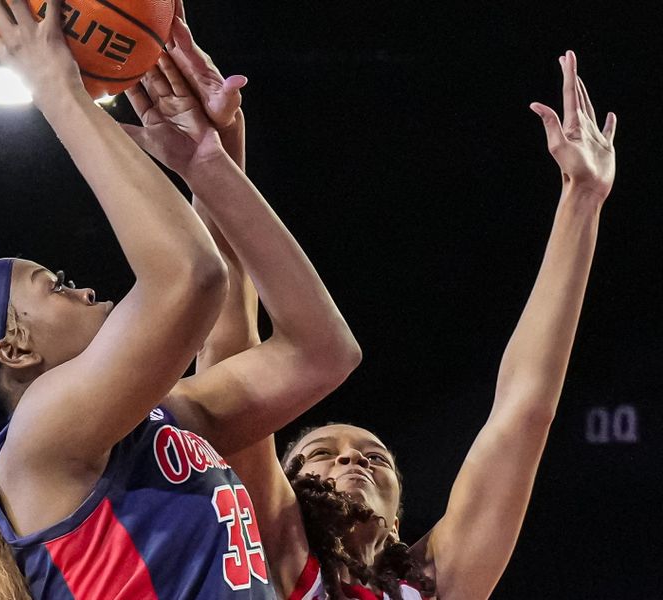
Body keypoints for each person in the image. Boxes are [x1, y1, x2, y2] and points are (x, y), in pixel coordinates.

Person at [138, 22, 616, 599]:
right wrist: (215, 158)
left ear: (396, 513)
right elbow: (229, 347)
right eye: (321, 455)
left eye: (373, 457)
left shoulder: (435, 583)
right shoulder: (272, 542)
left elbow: (524, 410)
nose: (353, 463)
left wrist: (582, 199)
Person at [0, 0, 360, 598]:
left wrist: (209, 164)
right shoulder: (36, 441)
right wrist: (57, 91)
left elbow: (322, 352)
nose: (85, 289)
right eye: (58, 287)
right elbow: (190, 276)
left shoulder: (165, 419)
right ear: (15, 347)